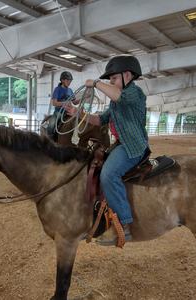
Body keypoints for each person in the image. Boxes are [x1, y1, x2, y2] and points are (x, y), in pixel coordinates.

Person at [66, 55, 148, 246]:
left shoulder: (135, 93)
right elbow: (100, 119)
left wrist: (95, 83)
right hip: (121, 145)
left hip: (133, 146)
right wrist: (79, 113)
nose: (111, 82)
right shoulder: (115, 102)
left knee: (109, 174)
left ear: (128, 75)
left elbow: (118, 95)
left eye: (114, 78)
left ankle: (125, 224)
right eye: (109, 79)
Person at [47, 71, 74, 139]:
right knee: (51, 125)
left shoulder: (70, 90)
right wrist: (64, 103)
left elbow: (74, 102)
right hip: (59, 112)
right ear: (62, 80)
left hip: (69, 112)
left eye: (70, 80)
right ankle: (49, 140)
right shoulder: (57, 89)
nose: (69, 82)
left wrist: (83, 98)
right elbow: (54, 103)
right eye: (67, 80)